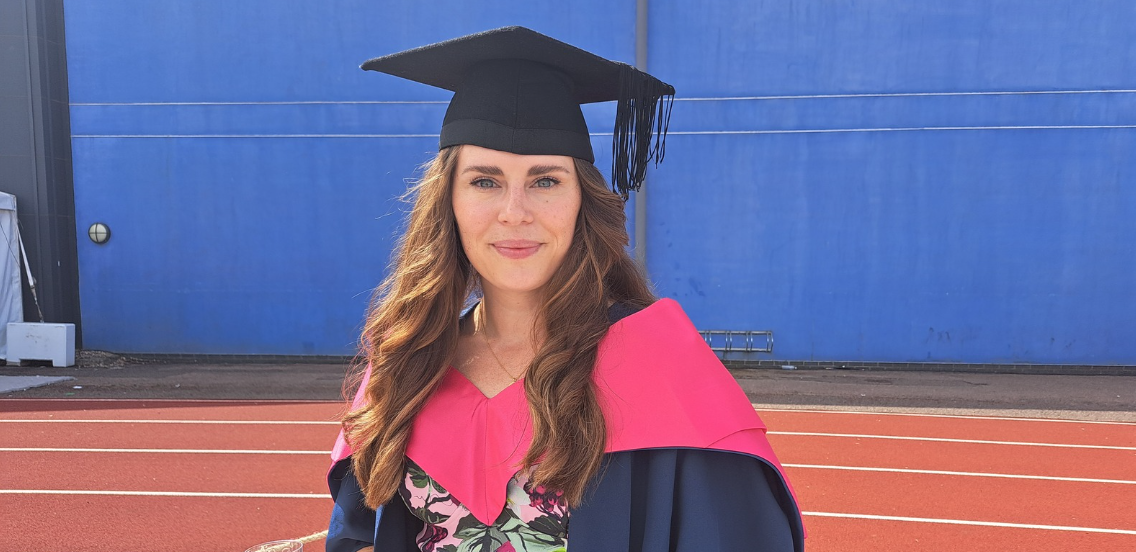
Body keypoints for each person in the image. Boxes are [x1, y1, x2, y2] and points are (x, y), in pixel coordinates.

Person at [327, 27, 805, 552]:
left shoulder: (656, 362)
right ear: (450, 202)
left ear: (583, 200)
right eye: (485, 181)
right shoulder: (411, 357)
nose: (515, 213)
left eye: (545, 180)